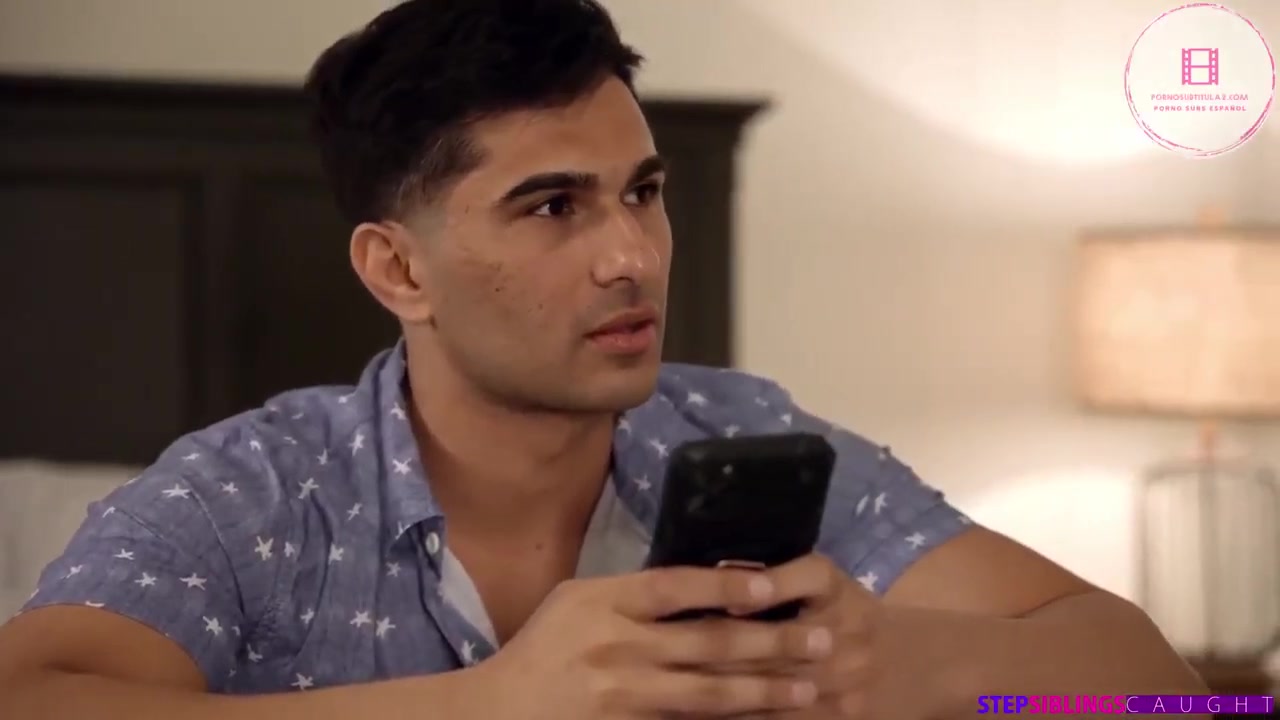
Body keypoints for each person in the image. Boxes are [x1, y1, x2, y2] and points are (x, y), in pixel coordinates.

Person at [0, 0, 1206, 717]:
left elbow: (1159, 688)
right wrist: (487, 706)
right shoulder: (249, 494)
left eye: (642, 192)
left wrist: (900, 660)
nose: (631, 255)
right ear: (397, 270)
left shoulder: (746, 441)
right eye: (551, 207)